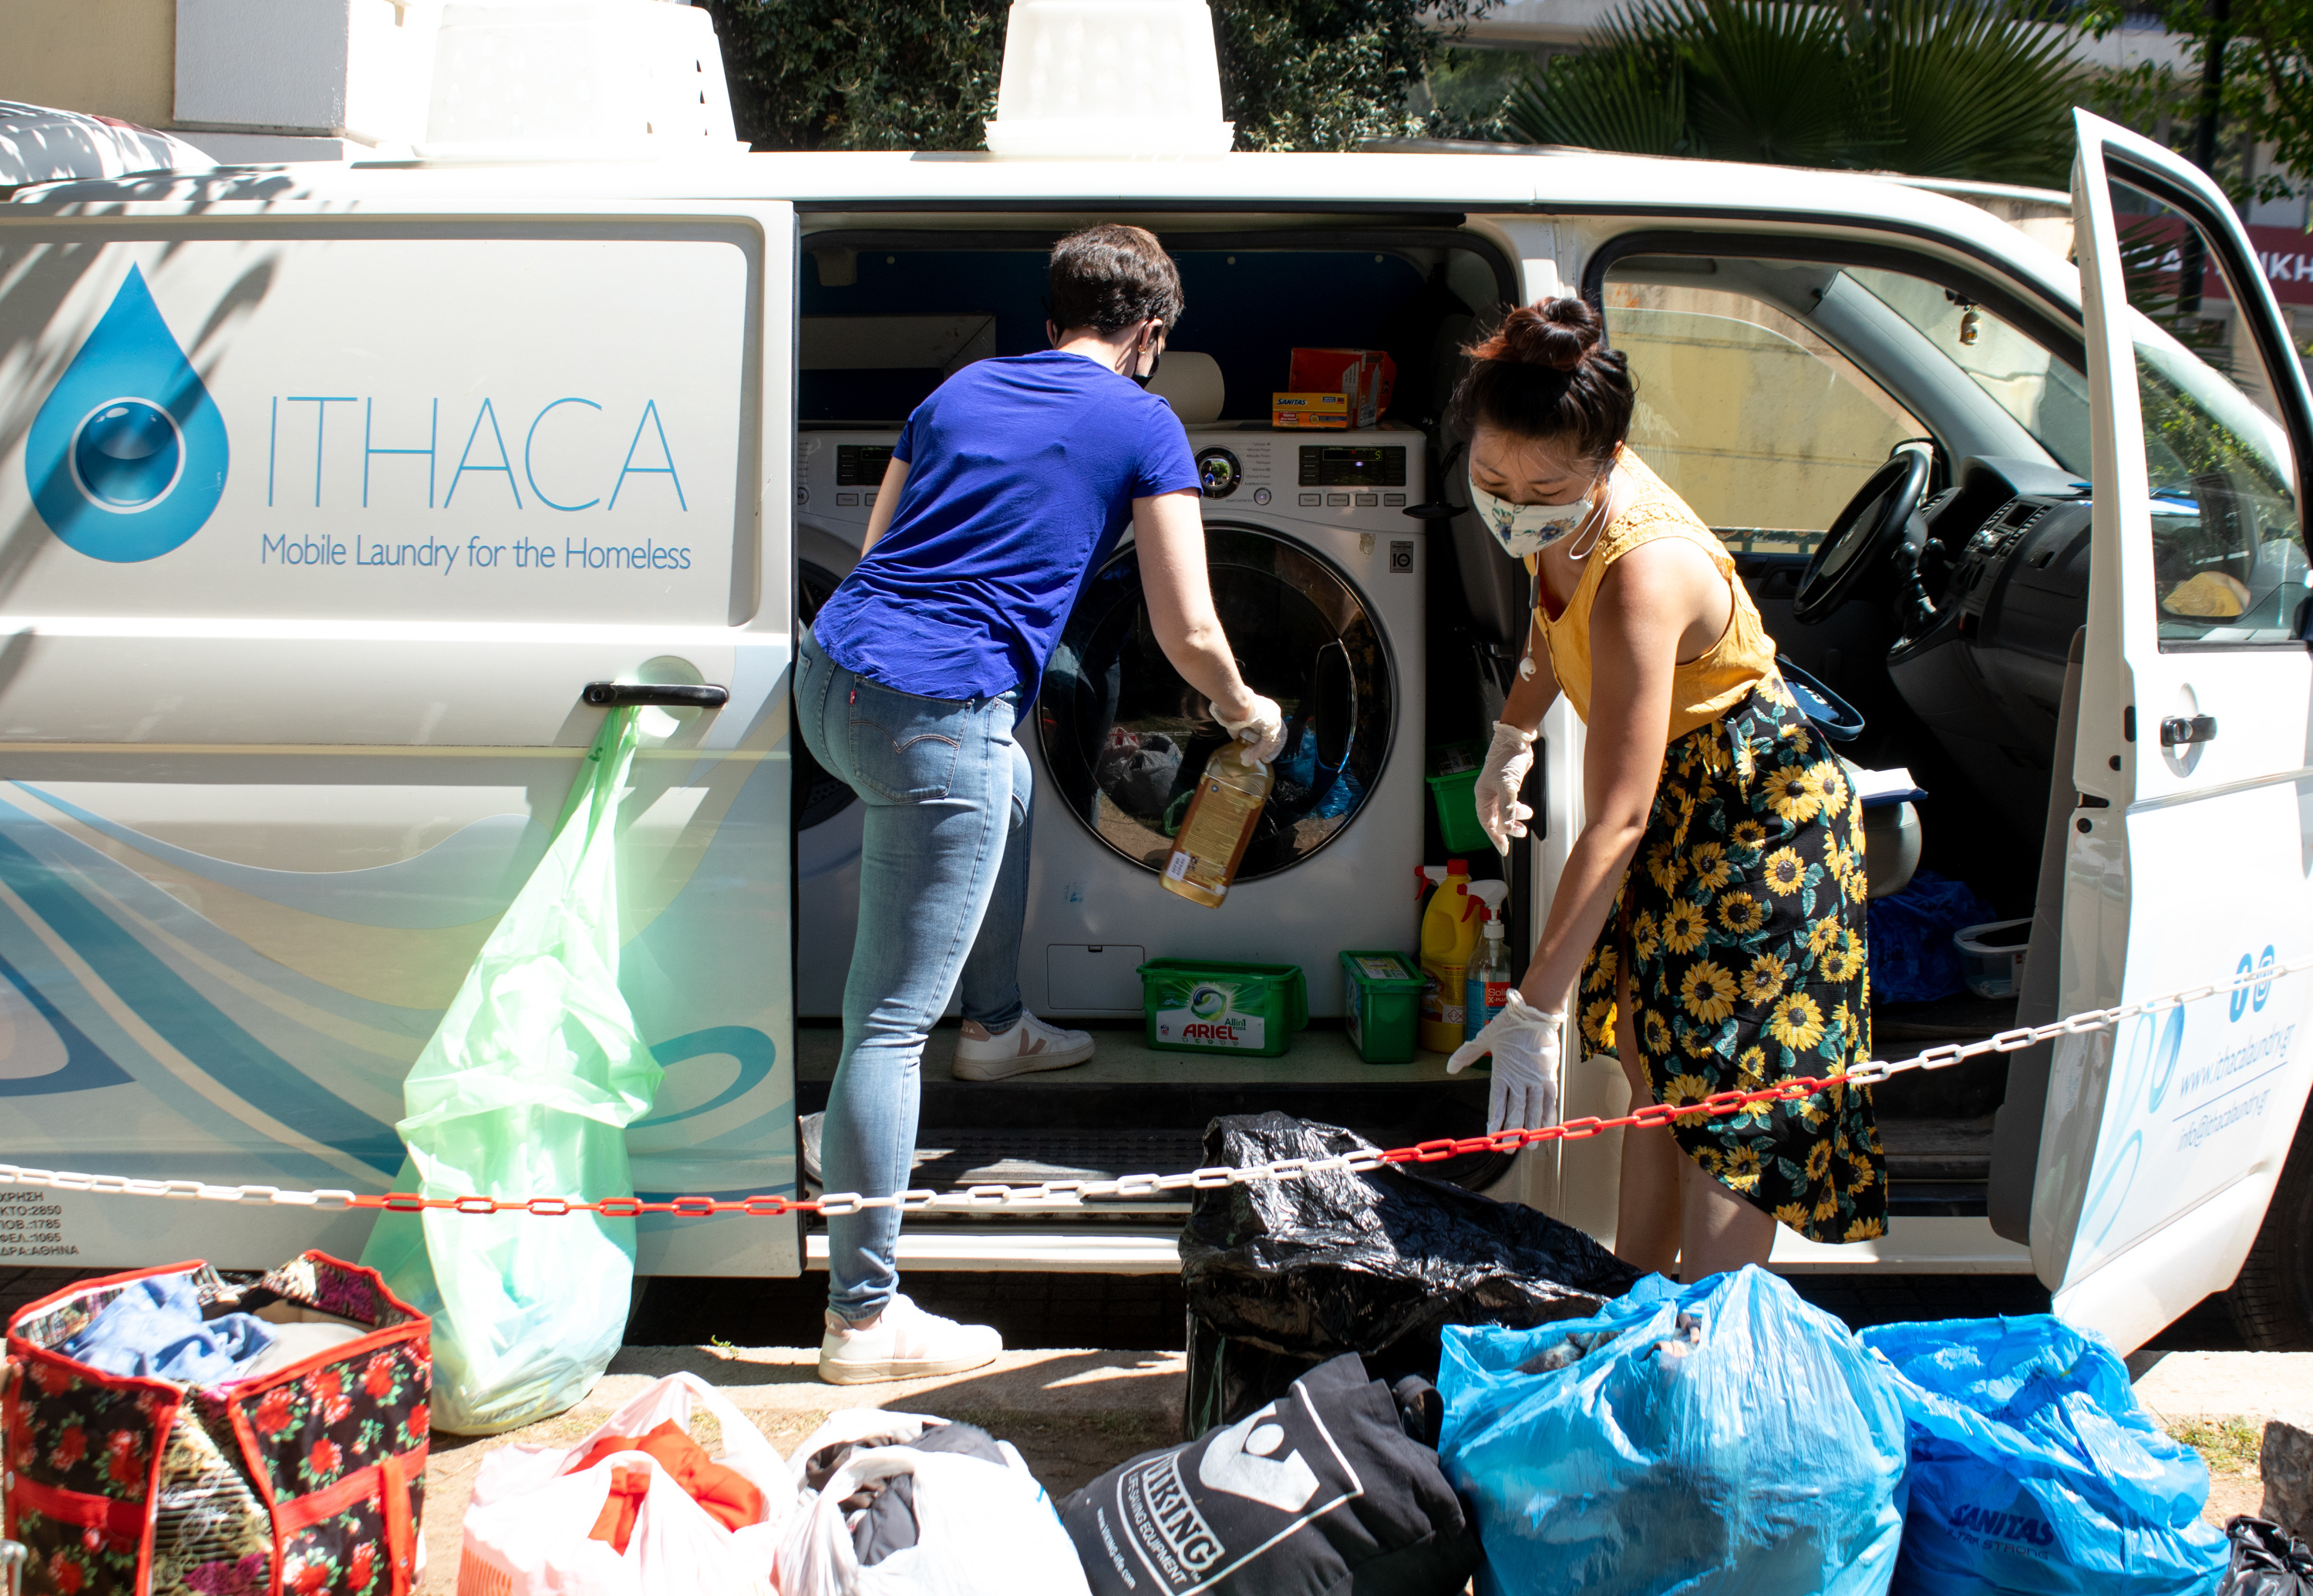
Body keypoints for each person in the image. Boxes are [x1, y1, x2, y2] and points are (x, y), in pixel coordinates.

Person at [796, 224, 1286, 1383]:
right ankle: (861, 1316)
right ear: (1151, 335)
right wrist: (1244, 710)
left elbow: (878, 550)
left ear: (1056, 310)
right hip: (936, 710)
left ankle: (1000, 1025)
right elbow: (1189, 627)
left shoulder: (962, 388)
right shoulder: (1145, 420)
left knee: (1011, 775)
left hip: (832, 675)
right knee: (884, 1023)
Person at [1446, 295, 1884, 1281]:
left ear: (1607, 462)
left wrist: (1533, 1010)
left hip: (1756, 814)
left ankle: (1710, 1350)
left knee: (1729, 1107)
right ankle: (1638, 1306)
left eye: (1543, 485)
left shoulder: (1644, 566)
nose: (1515, 502)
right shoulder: (1557, 510)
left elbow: (1618, 819)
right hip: (1682, 805)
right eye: (1489, 477)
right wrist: (1512, 729)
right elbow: (1549, 614)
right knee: (1654, 1071)